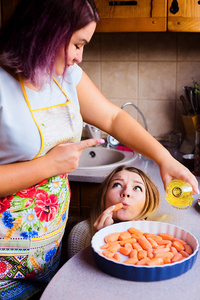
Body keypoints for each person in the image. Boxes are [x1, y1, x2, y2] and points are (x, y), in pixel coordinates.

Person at [0, 0, 198, 299]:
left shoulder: (65, 76)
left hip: (45, 255)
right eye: (78, 44)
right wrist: (50, 165)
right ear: (47, 33)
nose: (80, 57)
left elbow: (112, 117)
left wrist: (163, 158)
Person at [67, 165, 161, 259]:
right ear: (103, 196)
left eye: (137, 188)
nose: (126, 192)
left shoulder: (154, 234)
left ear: (148, 202)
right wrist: (100, 239)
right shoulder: (81, 232)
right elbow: (81, 272)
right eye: (117, 185)